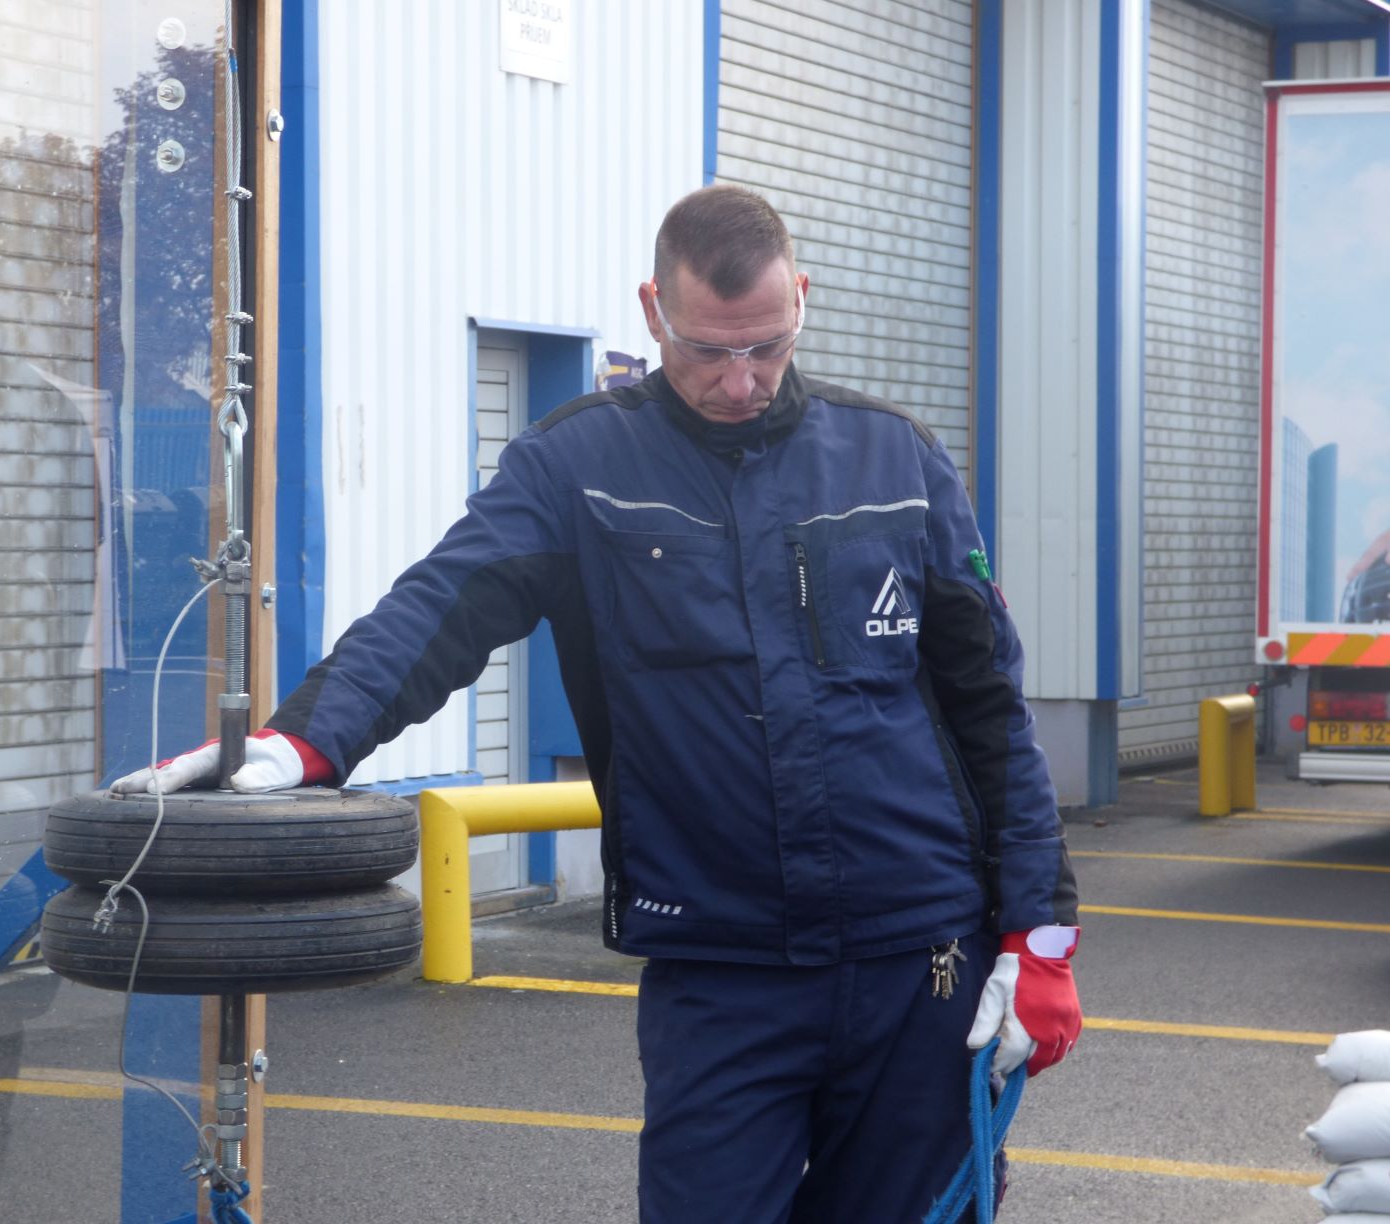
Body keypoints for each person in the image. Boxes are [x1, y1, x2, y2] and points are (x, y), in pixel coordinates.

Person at [114, 185, 1082, 1222]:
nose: (741, 380)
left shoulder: (897, 459)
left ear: (801, 297)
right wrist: (305, 740)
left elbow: (990, 709)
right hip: (721, 968)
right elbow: (442, 608)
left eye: (768, 345)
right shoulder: (577, 466)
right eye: (708, 351)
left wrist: (1041, 932)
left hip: (922, 961)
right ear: (653, 311)